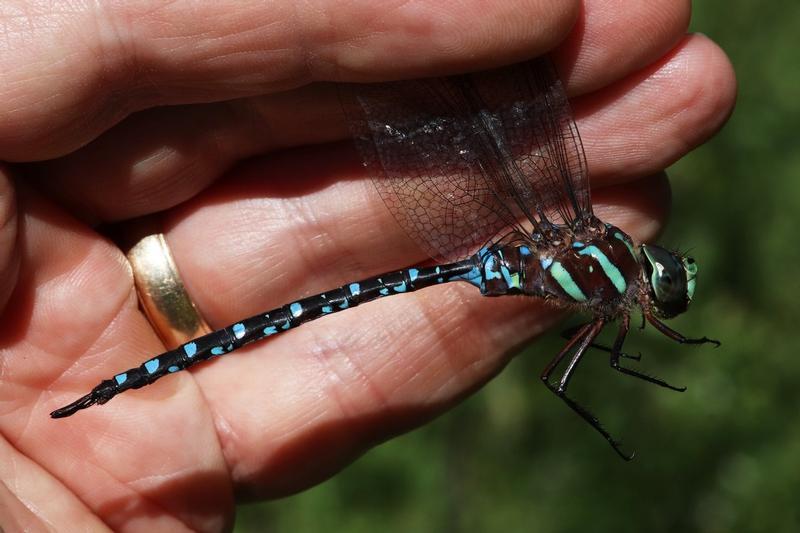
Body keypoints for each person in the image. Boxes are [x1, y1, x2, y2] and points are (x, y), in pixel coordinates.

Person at [0, 0, 735, 530]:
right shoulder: (603, 263)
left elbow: (574, 366)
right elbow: (569, 371)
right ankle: (124, 381)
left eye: (667, 286)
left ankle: (126, 380)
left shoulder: (598, 261)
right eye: (666, 285)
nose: (662, 286)